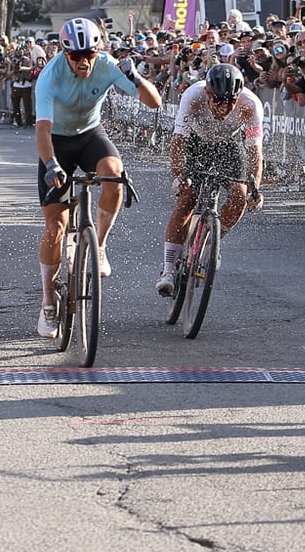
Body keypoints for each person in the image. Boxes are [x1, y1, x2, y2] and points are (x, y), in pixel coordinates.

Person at [33, 18, 162, 336]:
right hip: (57, 143)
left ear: (97, 51)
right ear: (64, 53)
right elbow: (43, 130)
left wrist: (135, 77)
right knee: (56, 227)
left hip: (90, 135)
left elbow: (155, 102)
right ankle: (48, 301)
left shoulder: (107, 64)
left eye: (89, 54)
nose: (83, 61)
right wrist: (50, 164)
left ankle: (99, 246)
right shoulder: (50, 76)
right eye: (75, 55)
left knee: (115, 177)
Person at [158, 63, 265, 295]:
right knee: (187, 197)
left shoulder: (250, 104)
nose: (224, 107)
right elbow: (179, 142)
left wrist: (255, 186)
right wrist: (178, 176)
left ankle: (212, 241)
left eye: (230, 102)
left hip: (229, 144)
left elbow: (254, 151)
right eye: (218, 101)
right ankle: (168, 269)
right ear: (208, 93)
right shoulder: (192, 96)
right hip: (196, 142)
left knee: (239, 197)